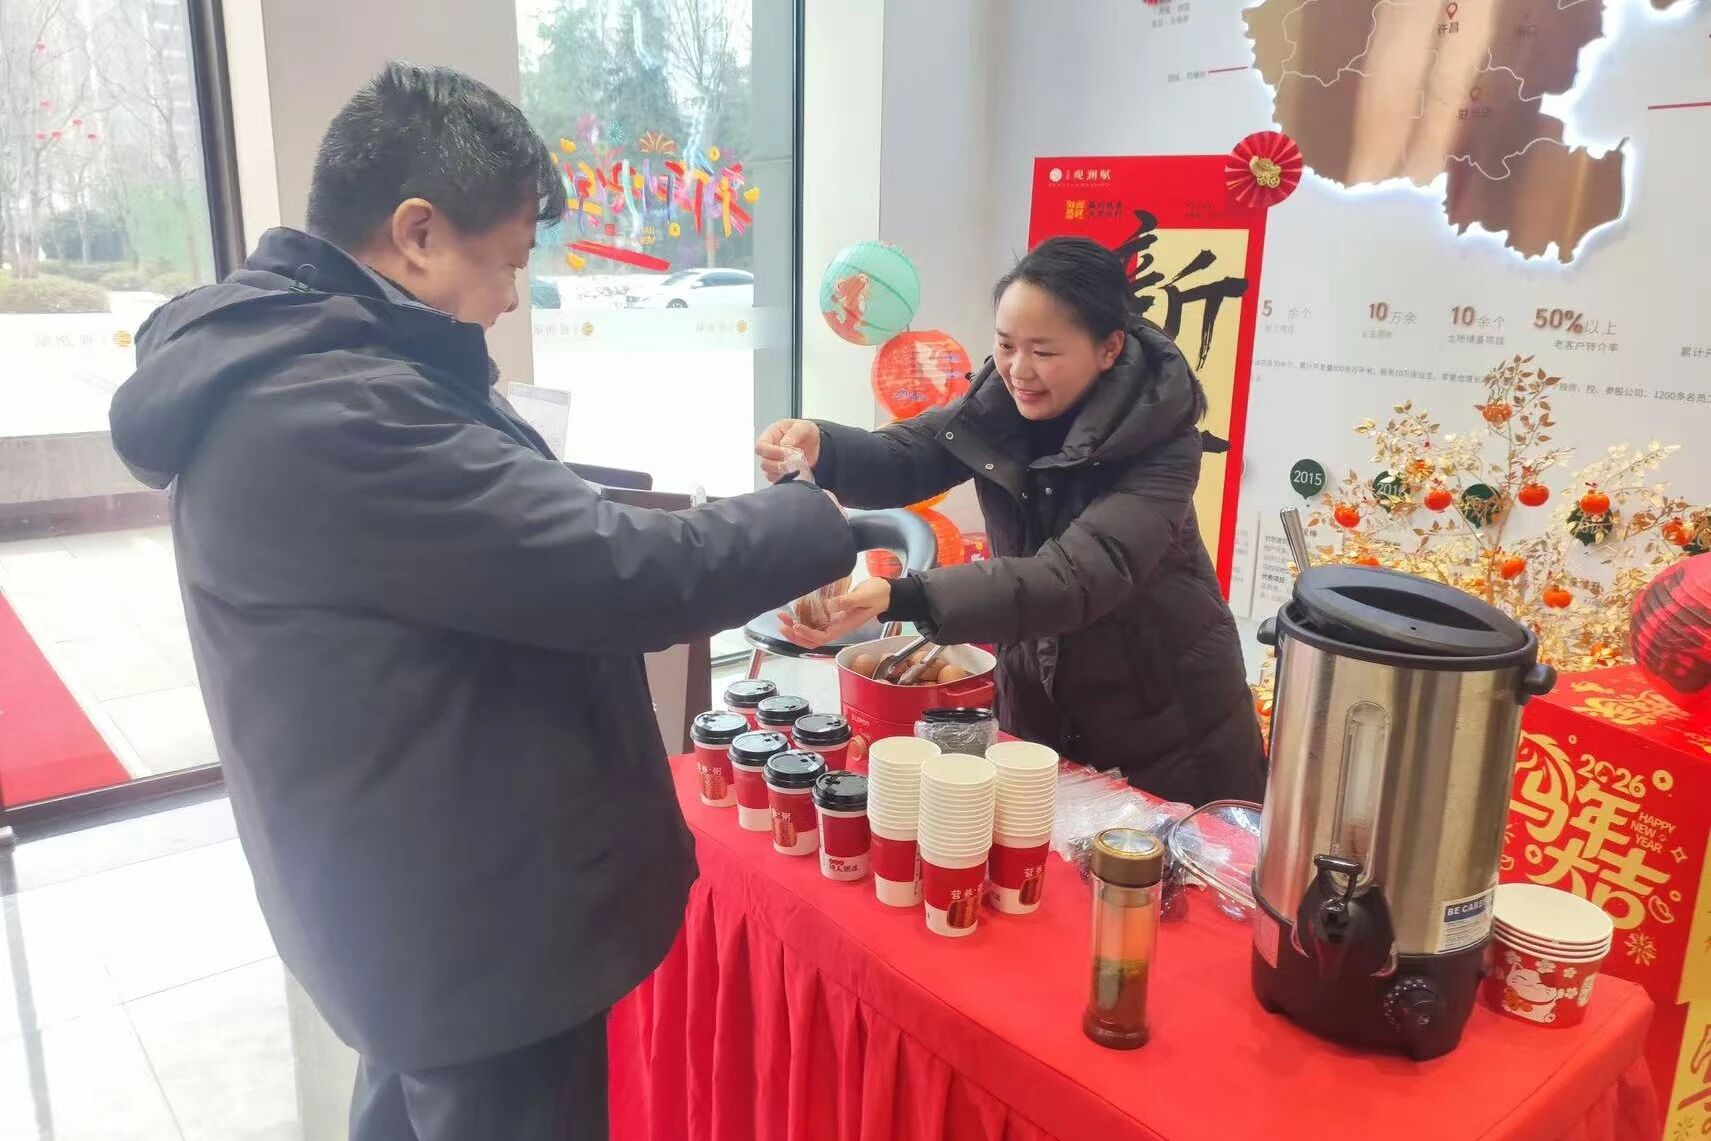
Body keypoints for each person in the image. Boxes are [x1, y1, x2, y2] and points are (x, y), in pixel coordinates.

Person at [108, 63, 855, 1141]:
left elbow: (509, 539)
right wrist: (809, 517)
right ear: (417, 232)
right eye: (507, 261)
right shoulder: (338, 405)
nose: (511, 297)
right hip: (473, 925)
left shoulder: (298, 356)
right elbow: (612, 572)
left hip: (406, 892)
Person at [758, 237, 1264, 806]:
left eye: (1043, 352)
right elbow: (912, 452)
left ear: (1109, 348)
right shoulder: (1000, 404)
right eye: (1005, 345)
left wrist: (904, 595)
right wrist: (824, 447)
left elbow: (1078, 576)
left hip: (1167, 723)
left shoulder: (1163, 444)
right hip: (1040, 699)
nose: (1019, 370)